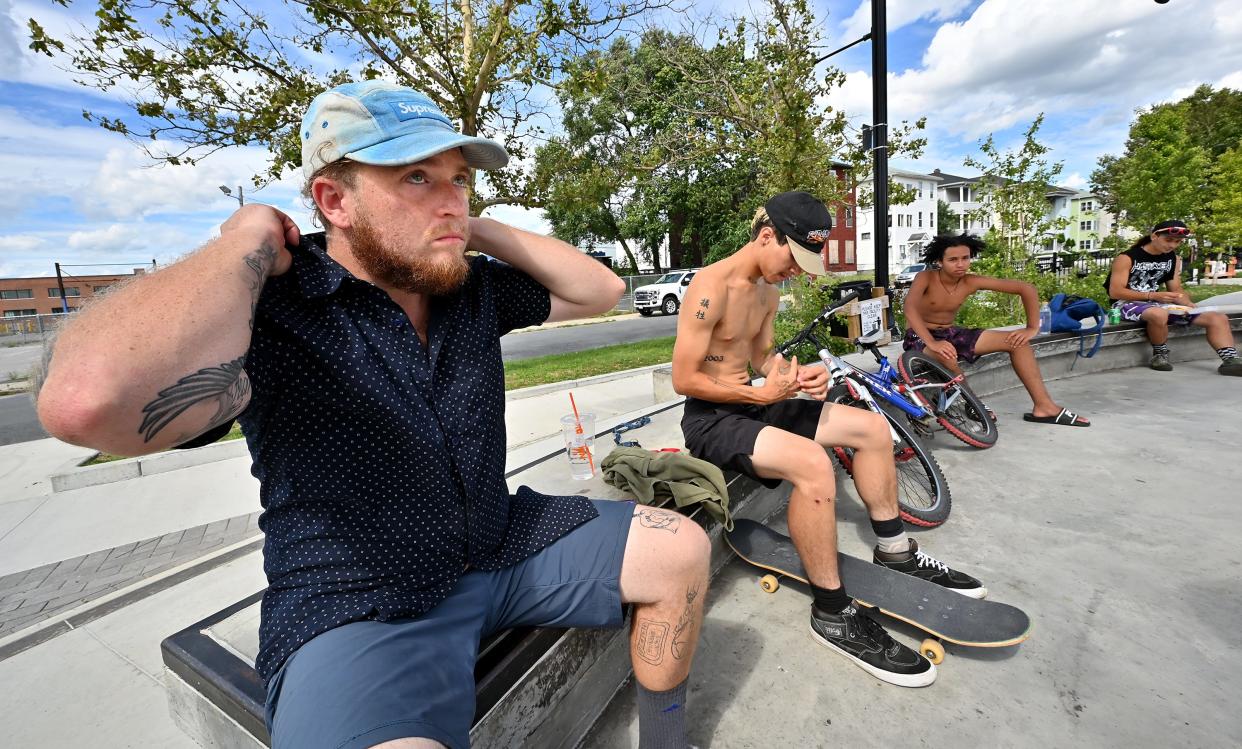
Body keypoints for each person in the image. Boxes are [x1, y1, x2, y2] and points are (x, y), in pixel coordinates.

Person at [36, 81, 712, 749]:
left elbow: (603, 288)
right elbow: (84, 401)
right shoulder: (279, 314)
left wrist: (460, 225)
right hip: (362, 604)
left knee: (681, 548)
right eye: (417, 176)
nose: (450, 197)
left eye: (459, 179)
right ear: (334, 200)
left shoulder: (466, 287)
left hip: (502, 546)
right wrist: (244, 241)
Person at [670, 191, 984, 689]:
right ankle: (833, 614)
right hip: (712, 418)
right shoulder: (710, 287)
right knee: (814, 464)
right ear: (767, 235)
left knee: (871, 427)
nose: (795, 271)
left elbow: (762, 360)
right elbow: (684, 378)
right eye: (793, 258)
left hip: (756, 399)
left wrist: (798, 377)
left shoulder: (768, 290)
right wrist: (760, 394)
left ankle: (895, 551)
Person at [902, 233, 1091, 428]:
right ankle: (972, 403)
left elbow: (1026, 289)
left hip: (950, 332)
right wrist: (932, 342)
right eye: (953, 260)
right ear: (939, 261)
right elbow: (909, 308)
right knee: (946, 353)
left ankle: (1045, 407)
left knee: (1018, 343)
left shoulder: (970, 281)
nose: (960, 264)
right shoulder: (925, 277)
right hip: (919, 335)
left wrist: (1032, 327)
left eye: (965, 258)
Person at [1105, 220, 1242, 376]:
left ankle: (1231, 361)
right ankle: (1160, 354)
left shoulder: (1171, 259)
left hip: (1155, 303)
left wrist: (1188, 304)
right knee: (1158, 313)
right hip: (1124, 305)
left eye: (1177, 242)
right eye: (1168, 240)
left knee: (1217, 318)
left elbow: (1175, 289)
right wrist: (1152, 295)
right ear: (1154, 236)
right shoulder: (1127, 258)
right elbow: (1115, 292)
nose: (1172, 245)